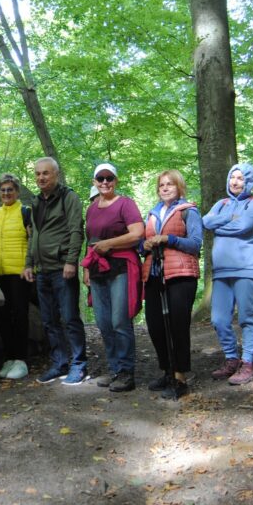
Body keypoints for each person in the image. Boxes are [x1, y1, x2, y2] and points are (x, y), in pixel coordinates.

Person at [23, 157, 87, 385]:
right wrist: (29, 263)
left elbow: (76, 231)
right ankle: (59, 364)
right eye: (38, 174)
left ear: (56, 174)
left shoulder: (69, 197)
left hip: (62, 269)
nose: (41, 177)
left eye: (46, 173)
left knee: (70, 318)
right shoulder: (36, 201)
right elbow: (35, 235)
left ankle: (79, 365)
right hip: (42, 271)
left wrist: (71, 261)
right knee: (49, 321)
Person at [81, 164, 144, 392]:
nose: (105, 182)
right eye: (100, 178)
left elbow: (138, 233)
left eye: (109, 178)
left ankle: (127, 372)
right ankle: (115, 368)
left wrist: (109, 244)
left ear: (115, 180)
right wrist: (86, 268)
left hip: (121, 266)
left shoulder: (125, 204)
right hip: (98, 269)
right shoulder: (91, 209)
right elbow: (91, 241)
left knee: (119, 320)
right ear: (95, 181)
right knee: (103, 322)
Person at [141, 170, 201, 399]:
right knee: (155, 325)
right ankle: (166, 370)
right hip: (155, 273)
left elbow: (195, 244)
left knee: (177, 325)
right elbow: (143, 243)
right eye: (162, 185)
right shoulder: (153, 213)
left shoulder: (188, 211)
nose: (165, 188)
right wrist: (143, 246)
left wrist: (169, 239)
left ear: (179, 187)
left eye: (170, 184)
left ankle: (180, 377)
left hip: (182, 274)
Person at [203, 163, 253, 385]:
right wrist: (229, 220)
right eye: (232, 178)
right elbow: (206, 221)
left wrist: (220, 225)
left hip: (247, 268)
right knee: (218, 319)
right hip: (221, 271)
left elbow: (244, 226)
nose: (235, 182)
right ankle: (231, 358)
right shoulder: (222, 203)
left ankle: (247, 363)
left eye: (240, 178)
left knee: (247, 317)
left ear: (248, 181)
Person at [0, 174, 32, 377]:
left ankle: (21, 360)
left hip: (19, 272)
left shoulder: (25, 212)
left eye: (10, 189)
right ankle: (8, 359)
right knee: (2, 317)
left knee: (20, 315)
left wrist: (30, 266)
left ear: (17, 191)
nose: (6, 193)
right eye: (3, 190)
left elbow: (33, 240)